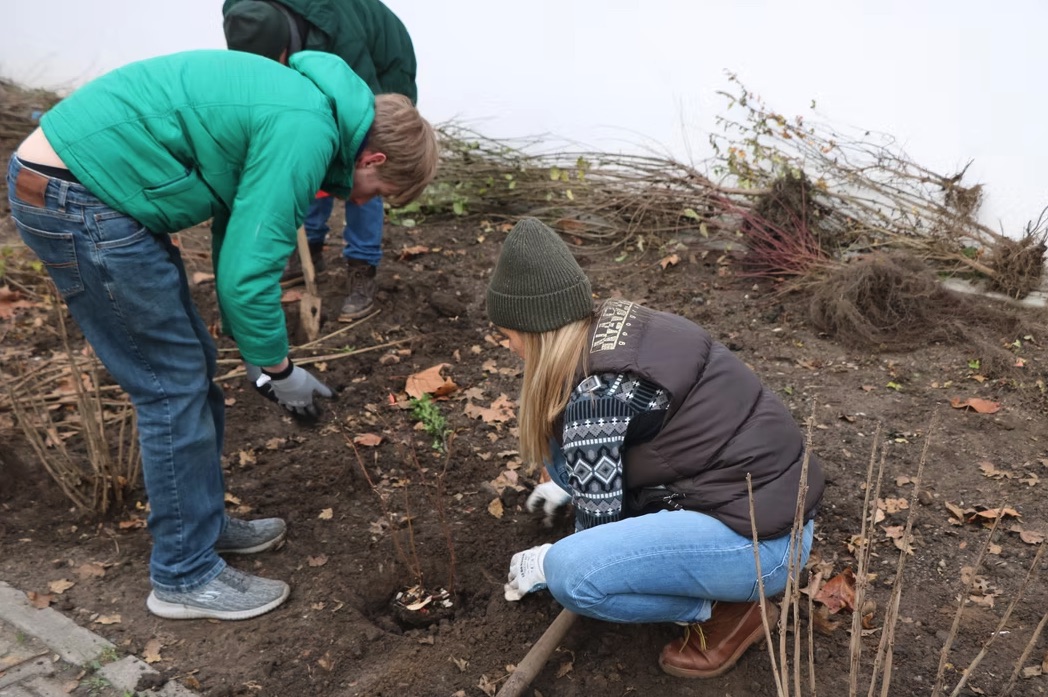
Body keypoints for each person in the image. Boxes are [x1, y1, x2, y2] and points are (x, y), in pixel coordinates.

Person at [7, 48, 438, 620]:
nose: (364, 202)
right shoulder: (306, 130)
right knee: (171, 386)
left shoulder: (307, 107)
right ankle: (182, 575)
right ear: (373, 157)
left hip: (87, 185)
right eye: (378, 190)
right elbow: (247, 273)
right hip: (80, 197)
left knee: (190, 367)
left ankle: (200, 525)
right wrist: (279, 369)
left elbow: (235, 230)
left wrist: (255, 352)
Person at [485, 218, 825, 678]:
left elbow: (596, 539)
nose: (508, 346)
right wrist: (569, 482)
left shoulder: (593, 400)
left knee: (573, 575)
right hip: (766, 504)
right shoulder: (622, 326)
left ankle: (723, 611)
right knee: (556, 441)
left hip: (760, 548)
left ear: (534, 330)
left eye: (508, 335)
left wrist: (546, 562)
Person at [222, 0, 419, 322]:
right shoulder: (245, 17)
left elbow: (357, 120)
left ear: (285, 46)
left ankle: (362, 266)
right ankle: (309, 250)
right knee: (312, 152)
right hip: (319, 48)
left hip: (381, 71)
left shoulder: (339, 35)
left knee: (364, 166)